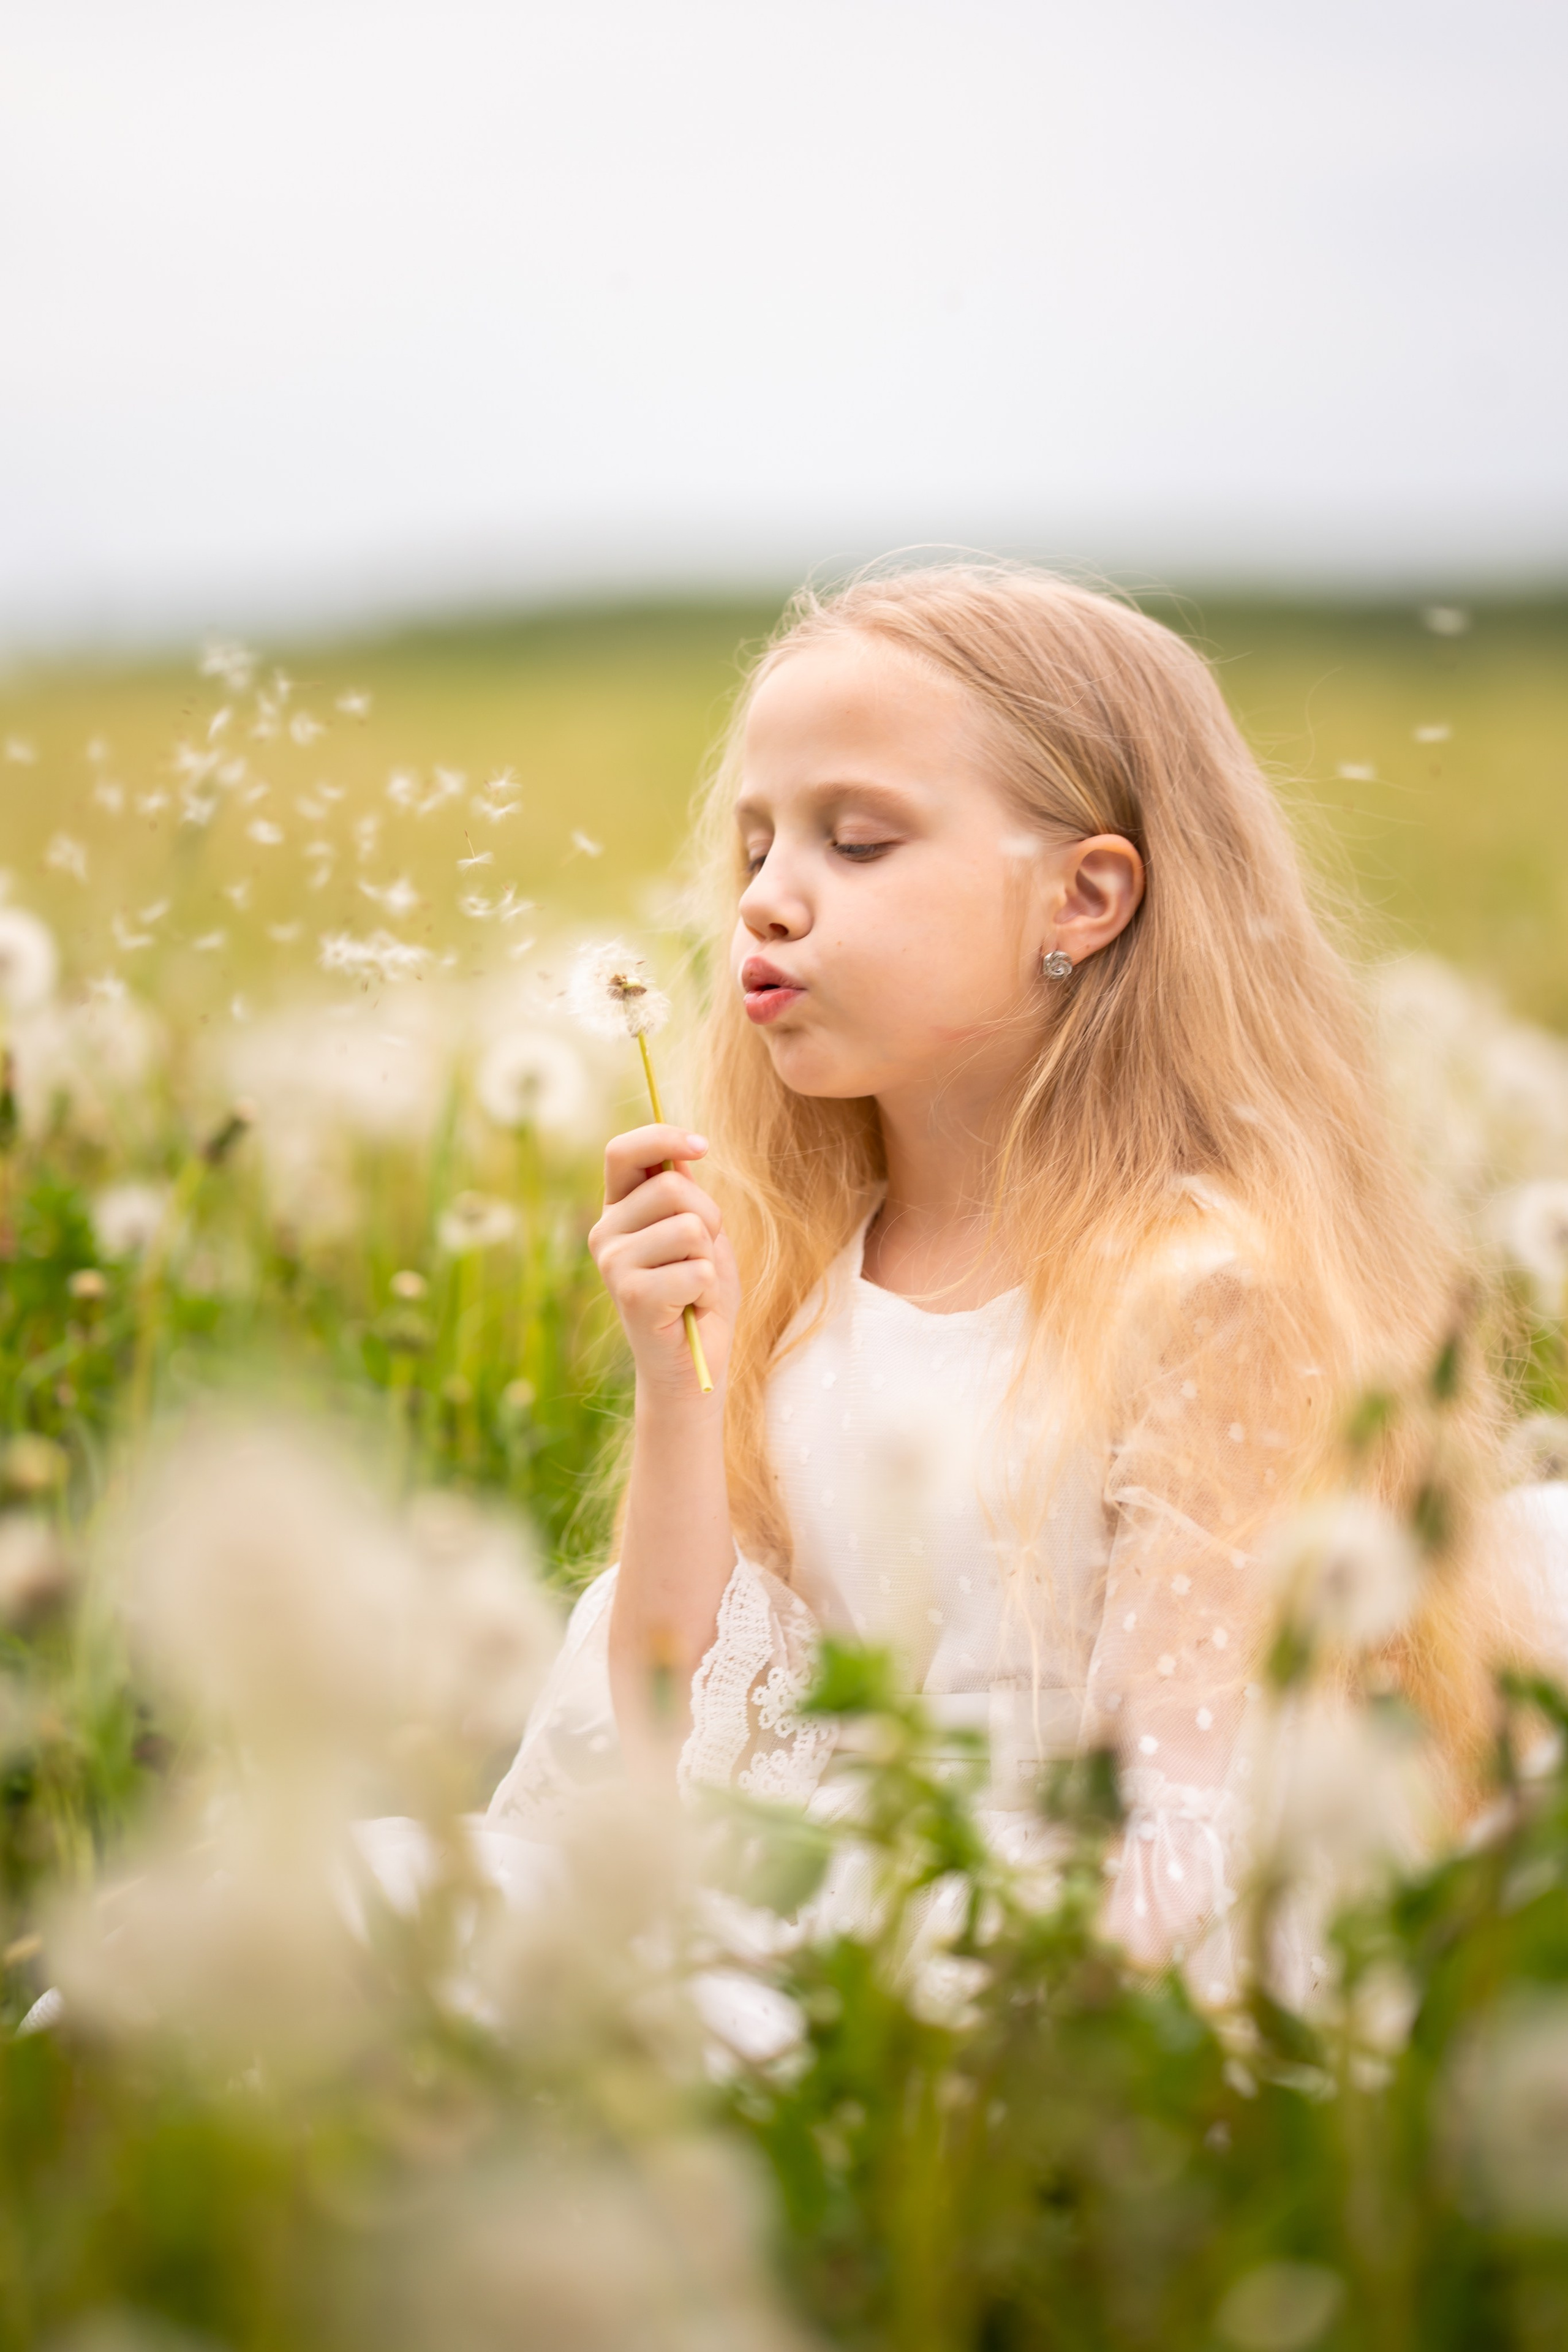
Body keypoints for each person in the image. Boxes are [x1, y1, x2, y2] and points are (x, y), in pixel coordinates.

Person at [490, 562, 1555, 1978]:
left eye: (855, 844)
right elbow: (653, 1722)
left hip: (1023, 1936)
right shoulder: (798, 1269)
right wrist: (675, 1381)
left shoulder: (1200, 1290)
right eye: (753, 848)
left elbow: (1184, 1813)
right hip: (772, 1886)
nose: (766, 901)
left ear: (1083, 897)